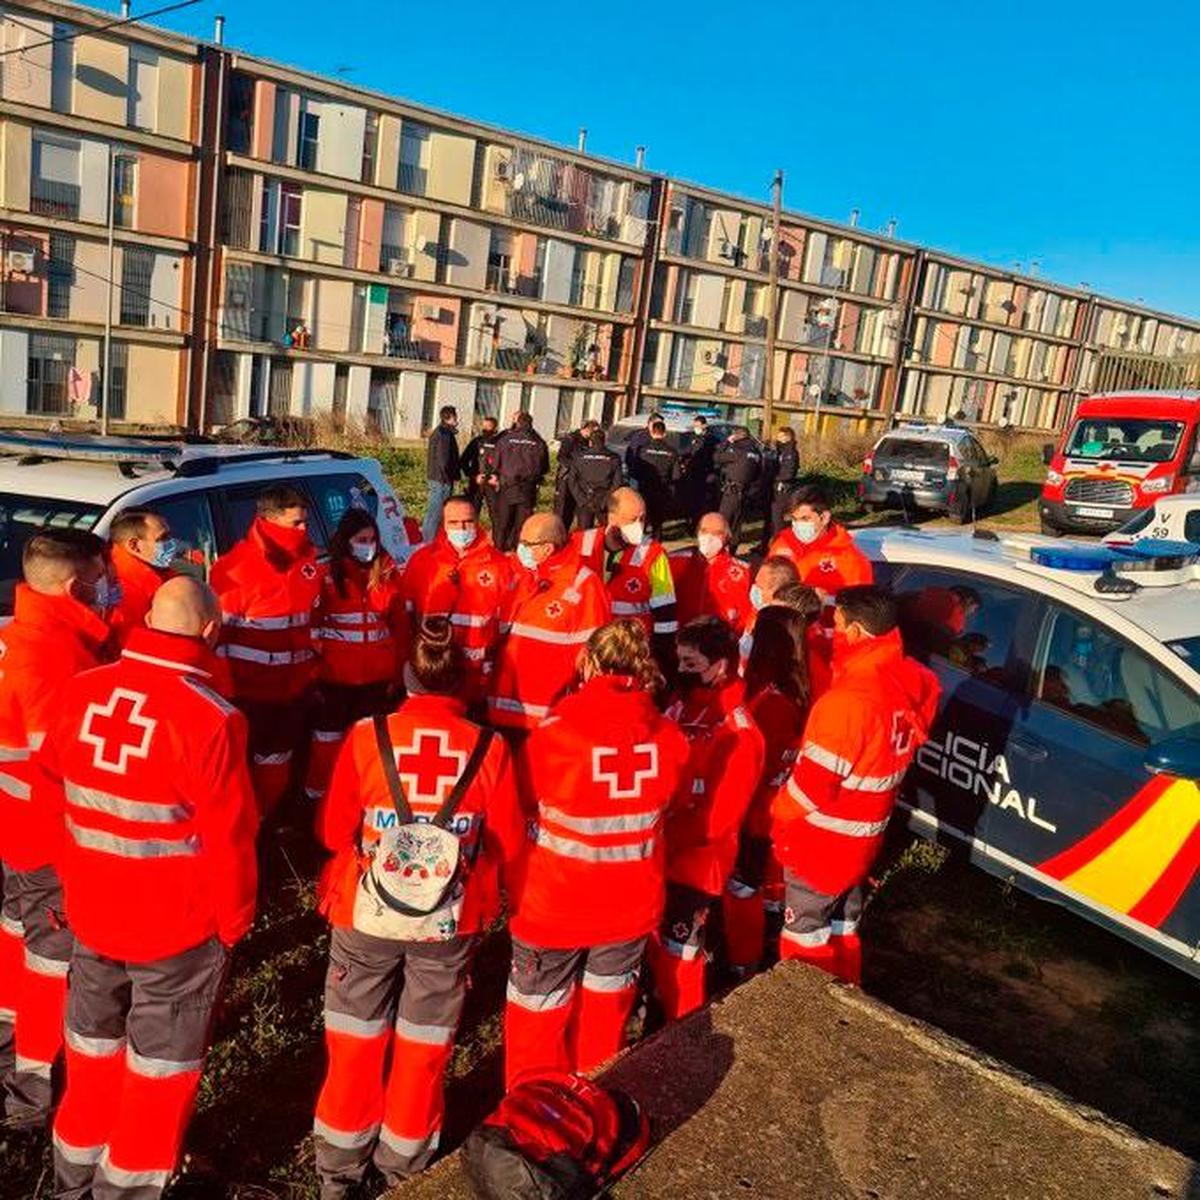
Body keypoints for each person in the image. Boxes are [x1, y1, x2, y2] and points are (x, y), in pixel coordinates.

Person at [43, 578, 259, 1200]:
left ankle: (73, 1176)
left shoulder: (80, 691)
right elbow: (232, 840)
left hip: (87, 913)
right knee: (159, 1072)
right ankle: (128, 1188)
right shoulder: (212, 720)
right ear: (211, 632)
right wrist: (235, 922)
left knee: (90, 1053)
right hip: (175, 929)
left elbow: (55, 784)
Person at [312, 619, 524, 1191]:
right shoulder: (492, 747)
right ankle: (403, 1168)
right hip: (449, 918)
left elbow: (333, 832)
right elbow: (507, 841)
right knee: (424, 1045)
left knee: (354, 1041)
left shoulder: (364, 736)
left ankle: (338, 1174)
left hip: (365, 911)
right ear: (465, 685)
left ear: (407, 677)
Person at [505, 620, 688, 1087]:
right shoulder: (670, 737)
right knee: (605, 1022)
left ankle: (532, 1122)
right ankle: (591, 1111)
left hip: (554, 906)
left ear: (587, 662)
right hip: (630, 907)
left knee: (537, 1024)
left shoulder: (556, 733)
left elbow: (519, 803)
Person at [772, 586, 940, 984]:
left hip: (822, 847)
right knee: (844, 929)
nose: (833, 629)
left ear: (858, 632)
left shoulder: (848, 702)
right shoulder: (909, 681)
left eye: (838, 622)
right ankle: (848, 996)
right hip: (864, 841)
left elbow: (809, 791)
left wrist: (775, 815)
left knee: (804, 946)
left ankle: (809, 1028)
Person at [0, 530, 111, 1128]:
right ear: (76, 587)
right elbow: (64, 764)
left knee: (14, 942)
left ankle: (9, 1051)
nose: (108, 591)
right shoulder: (56, 658)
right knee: (49, 964)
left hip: (14, 830)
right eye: (102, 580)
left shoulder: (13, 636)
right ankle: (32, 1091)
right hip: (49, 841)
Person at [649, 617, 763, 1019]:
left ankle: (682, 1027)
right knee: (657, 945)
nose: (681, 670)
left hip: (696, 865)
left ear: (722, 665)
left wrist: (660, 840)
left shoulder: (739, 733)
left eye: (691, 663)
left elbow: (718, 820)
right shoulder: (679, 705)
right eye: (679, 661)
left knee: (681, 954)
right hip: (661, 852)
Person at [210, 485, 324, 815]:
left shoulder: (307, 563)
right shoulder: (234, 569)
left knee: (279, 760)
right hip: (250, 693)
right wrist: (228, 694)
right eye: (296, 524)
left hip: (295, 689)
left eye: (306, 523)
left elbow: (311, 622)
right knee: (246, 765)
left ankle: (267, 819)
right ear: (269, 522)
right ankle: (250, 823)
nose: (304, 531)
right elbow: (219, 639)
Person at [723, 605, 811, 978]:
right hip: (765, 807)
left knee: (744, 888)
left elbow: (757, 760)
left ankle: (742, 964)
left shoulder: (772, 700)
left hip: (754, 811)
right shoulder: (796, 686)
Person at [305, 510, 407, 805]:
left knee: (372, 746)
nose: (369, 545)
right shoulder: (327, 576)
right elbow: (310, 626)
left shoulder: (386, 573)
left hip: (376, 680)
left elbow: (400, 628)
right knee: (327, 744)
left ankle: (368, 799)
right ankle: (316, 800)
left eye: (372, 539)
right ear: (346, 541)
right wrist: (314, 673)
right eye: (362, 540)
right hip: (334, 680)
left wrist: (398, 674)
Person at [488, 514, 610, 732]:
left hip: (546, 718)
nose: (520, 548)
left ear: (548, 548)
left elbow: (596, 655)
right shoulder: (520, 574)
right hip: (502, 710)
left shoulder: (584, 585)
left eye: (527, 544)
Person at [401, 496, 510, 706]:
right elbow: (405, 618)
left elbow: (506, 629)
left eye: (467, 522)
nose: (461, 528)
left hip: (476, 678)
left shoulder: (501, 566)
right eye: (453, 522)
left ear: (478, 521)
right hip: (430, 675)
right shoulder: (422, 561)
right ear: (443, 524)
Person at [571, 487, 678, 671]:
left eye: (642, 519)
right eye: (633, 519)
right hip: (584, 646)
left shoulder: (653, 554)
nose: (639, 525)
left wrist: (663, 658)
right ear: (612, 518)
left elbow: (665, 612)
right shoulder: (578, 544)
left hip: (629, 653)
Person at [767, 484, 873, 613]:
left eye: (805, 519)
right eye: (794, 519)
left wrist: (824, 601)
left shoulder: (850, 560)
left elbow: (860, 613)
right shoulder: (781, 544)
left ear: (824, 518)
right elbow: (764, 586)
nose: (798, 525)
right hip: (781, 626)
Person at [669, 512, 753, 634]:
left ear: (727, 537)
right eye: (704, 531)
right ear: (697, 533)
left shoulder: (742, 572)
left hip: (721, 643)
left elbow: (746, 616)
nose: (709, 537)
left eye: (717, 533)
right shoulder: (676, 562)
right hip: (682, 639)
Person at [107, 508, 177, 647]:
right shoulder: (124, 594)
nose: (172, 542)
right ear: (134, 546)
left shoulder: (157, 573)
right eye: (163, 538)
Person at [491, 411, 549, 552]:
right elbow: (545, 467)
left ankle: (498, 553)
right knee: (522, 526)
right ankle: (517, 554)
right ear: (531, 424)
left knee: (502, 525)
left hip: (507, 487)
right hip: (528, 489)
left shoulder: (505, 440)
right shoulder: (539, 442)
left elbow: (495, 464)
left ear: (518, 423)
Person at [737, 555, 800, 669]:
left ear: (777, 591)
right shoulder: (758, 611)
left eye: (759, 586)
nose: (754, 589)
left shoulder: (789, 630)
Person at [713, 427, 762, 549]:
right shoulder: (756, 452)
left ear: (736, 436)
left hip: (732, 490)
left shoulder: (737, 449)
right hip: (745, 491)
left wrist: (727, 442)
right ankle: (733, 550)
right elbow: (758, 472)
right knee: (737, 523)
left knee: (723, 521)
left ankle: (718, 548)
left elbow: (717, 457)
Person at [634, 419, 681, 541]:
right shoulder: (672, 452)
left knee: (642, 523)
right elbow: (677, 476)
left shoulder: (642, 450)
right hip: (662, 490)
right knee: (657, 525)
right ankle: (656, 552)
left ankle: (638, 552)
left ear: (651, 432)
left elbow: (635, 471)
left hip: (645, 490)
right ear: (665, 433)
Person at [568, 428, 623, 530]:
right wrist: (606, 500)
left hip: (585, 498)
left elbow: (572, 481)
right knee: (606, 532)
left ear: (590, 442)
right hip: (604, 500)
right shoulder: (614, 458)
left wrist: (582, 500)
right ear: (604, 441)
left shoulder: (579, 457)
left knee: (584, 534)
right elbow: (617, 482)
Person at [423, 406, 461, 543]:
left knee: (434, 512)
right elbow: (443, 459)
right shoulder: (444, 434)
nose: (457, 419)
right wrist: (448, 478)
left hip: (437, 478)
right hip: (441, 480)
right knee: (436, 513)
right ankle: (429, 543)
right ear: (449, 417)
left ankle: (429, 540)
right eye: (455, 416)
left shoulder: (442, 432)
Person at [553, 419, 598, 530]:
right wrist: (576, 468)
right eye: (593, 432)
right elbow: (561, 457)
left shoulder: (590, 442)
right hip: (567, 478)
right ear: (587, 429)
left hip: (581, 481)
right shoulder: (570, 439)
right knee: (563, 510)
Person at [680, 414, 718, 527]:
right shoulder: (693, 438)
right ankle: (690, 521)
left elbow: (714, 457)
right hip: (692, 473)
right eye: (694, 425)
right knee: (691, 499)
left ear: (704, 426)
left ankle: (698, 522)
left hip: (705, 474)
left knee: (702, 501)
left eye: (698, 425)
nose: (696, 428)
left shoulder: (712, 440)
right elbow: (687, 451)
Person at [461, 415, 500, 519]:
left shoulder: (501, 443)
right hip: (477, 482)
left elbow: (505, 463)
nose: (486, 429)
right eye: (484, 426)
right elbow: (463, 461)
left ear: (495, 428)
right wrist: (473, 476)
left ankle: (495, 534)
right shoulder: (476, 442)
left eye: (489, 427)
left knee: (496, 514)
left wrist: (497, 477)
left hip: (492, 483)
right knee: (472, 512)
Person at [769, 427, 800, 538]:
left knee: (777, 518)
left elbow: (788, 473)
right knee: (771, 517)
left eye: (780, 436)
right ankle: (765, 544)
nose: (777, 438)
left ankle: (779, 541)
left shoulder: (791, 453)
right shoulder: (780, 451)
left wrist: (776, 478)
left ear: (788, 437)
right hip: (775, 487)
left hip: (783, 489)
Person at [623, 411, 662, 480]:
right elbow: (633, 455)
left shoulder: (655, 436)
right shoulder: (641, 436)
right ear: (650, 423)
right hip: (639, 475)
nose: (660, 426)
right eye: (658, 424)